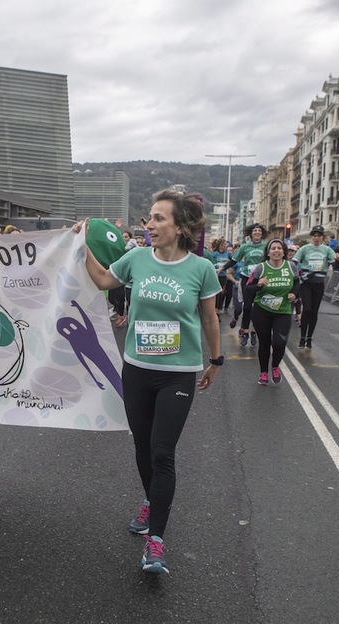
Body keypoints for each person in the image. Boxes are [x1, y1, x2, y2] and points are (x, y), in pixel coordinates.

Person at [74, 189, 222, 575]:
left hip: (178, 372)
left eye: (158, 219)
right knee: (142, 445)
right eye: (148, 219)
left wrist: (217, 359)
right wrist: (80, 245)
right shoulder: (137, 258)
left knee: (162, 451)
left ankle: (156, 541)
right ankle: (149, 499)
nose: (150, 225)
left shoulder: (201, 269)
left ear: (180, 227)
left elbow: (209, 319)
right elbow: (104, 281)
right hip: (137, 369)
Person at [244, 239, 299, 385]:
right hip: (262, 311)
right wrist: (259, 285)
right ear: (268, 252)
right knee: (265, 343)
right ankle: (263, 372)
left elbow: (297, 282)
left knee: (279, 343)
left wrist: (294, 293)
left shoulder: (291, 266)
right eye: (273, 248)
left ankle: (275, 366)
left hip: (283, 310)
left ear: (284, 252)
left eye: (279, 248)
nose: (276, 250)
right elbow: (248, 289)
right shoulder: (260, 268)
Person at [223, 224, 267, 347]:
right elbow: (234, 260)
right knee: (247, 307)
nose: (257, 232)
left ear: (262, 233)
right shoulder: (245, 247)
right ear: (251, 234)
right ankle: (245, 332)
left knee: (257, 307)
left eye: (259, 230)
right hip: (247, 278)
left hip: (261, 278)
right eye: (255, 231)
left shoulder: (266, 246)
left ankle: (253, 332)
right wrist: (222, 268)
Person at [293, 225, 335, 349]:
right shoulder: (305, 249)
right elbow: (295, 262)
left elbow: (334, 262)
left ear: (322, 237)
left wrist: (338, 260)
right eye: (315, 235)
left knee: (314, 311)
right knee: (307, 309)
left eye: (319, 236)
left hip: (319, 283)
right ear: (312, 237)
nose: (316, 238)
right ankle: (302, 337)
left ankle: (309, 337)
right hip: (306, 282)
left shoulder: (327, 250)